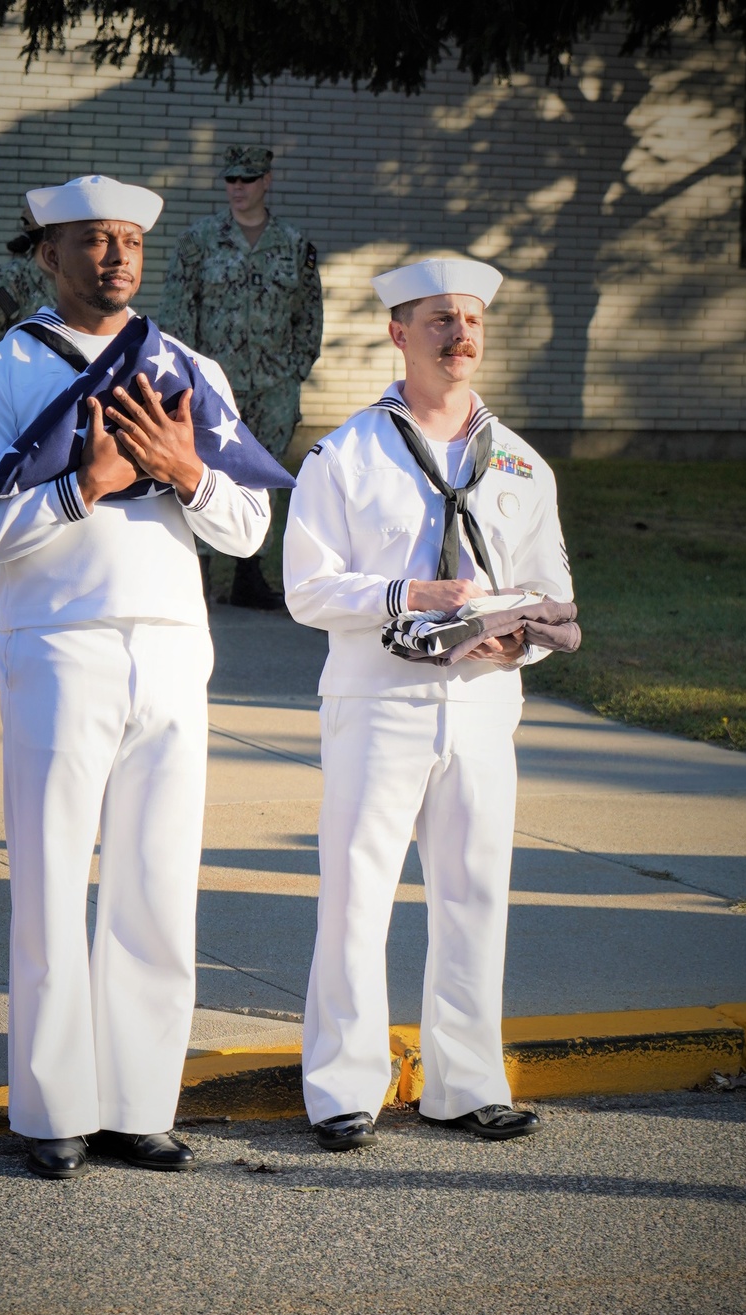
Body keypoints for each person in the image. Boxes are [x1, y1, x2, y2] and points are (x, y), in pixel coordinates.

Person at [0, 175, 271, 1180]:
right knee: (48, 885)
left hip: (172, 649)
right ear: (46, 255)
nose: (116, 257)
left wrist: (186, 471)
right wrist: (80, 488)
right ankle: (51, 1111)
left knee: (158, 888)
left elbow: (249, 524)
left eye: (128, 240)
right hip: (60, 647)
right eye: (92, 241)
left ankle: (139, 1106)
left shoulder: (190, 367)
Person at [283, 256, 574, 1151]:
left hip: (484, 705)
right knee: (357, 896)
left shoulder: (522, 463)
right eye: (439, 320)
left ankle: (465, 1084)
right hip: (380, 701)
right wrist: (410, 599)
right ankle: (343, 1090)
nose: (460, 335)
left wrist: (518, 635)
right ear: (398, 333)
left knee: (475, 894)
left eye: (473, 321)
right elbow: (307, 590)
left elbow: (557, 595)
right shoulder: (347, 453)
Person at [159, 145, 323, 608]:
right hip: (212, 383)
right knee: (203, 468)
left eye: (247, 179)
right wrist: (183, 378)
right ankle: (200, 574)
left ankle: (249, 577)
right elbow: (177, 310)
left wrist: (293, 371)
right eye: (231, 179)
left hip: (273, 387)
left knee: (261, 472)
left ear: (266, 181)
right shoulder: (200, 241)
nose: (238, 188)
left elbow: (309, 315)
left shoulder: (294, 246)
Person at [0, 212, 58, 619]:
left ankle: (6, 589)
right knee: (16, 495)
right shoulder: (11, 283)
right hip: (15, 404)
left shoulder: (69, 278)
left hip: (56, 403)